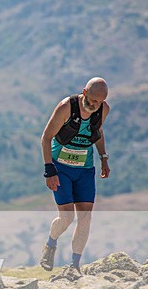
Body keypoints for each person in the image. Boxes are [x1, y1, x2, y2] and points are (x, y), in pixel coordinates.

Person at [39, 77, 111, 273]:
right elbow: (46, 137)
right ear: (84, 92)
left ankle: (74, 265)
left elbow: (98, 131)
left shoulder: (103, 110)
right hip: (60, 167)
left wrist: (103, 157)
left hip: (85, 169)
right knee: (67, 217)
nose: (95, 105)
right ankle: (51, 244)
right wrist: (49, 170)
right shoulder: (66, 107)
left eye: (99, 102)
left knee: (85, 217)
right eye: (92, 100)